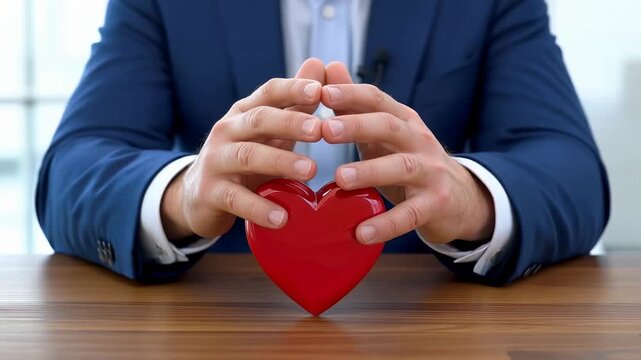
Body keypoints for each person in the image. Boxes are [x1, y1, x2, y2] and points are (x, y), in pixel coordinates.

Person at [36, 0, 610, 285]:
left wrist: (471, 198)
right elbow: (74, 165)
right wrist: (181, 196)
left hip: (430, 323)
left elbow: (571, 169)